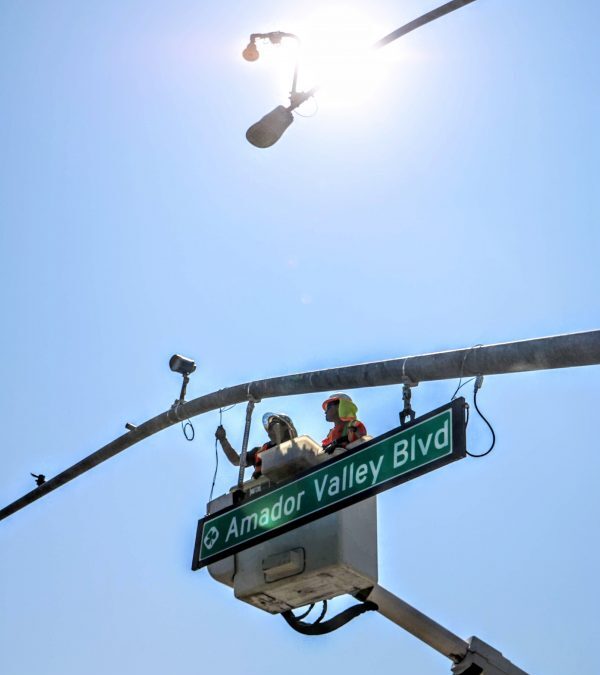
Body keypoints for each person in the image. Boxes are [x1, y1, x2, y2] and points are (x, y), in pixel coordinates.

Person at [215, 413, 298, 479]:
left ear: (286, 429)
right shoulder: (259, 452)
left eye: (275, 425)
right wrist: (223, 440)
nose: (271, 429)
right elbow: (236, 460)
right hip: (262, 491)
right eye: (270, 427)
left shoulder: (299, 449)